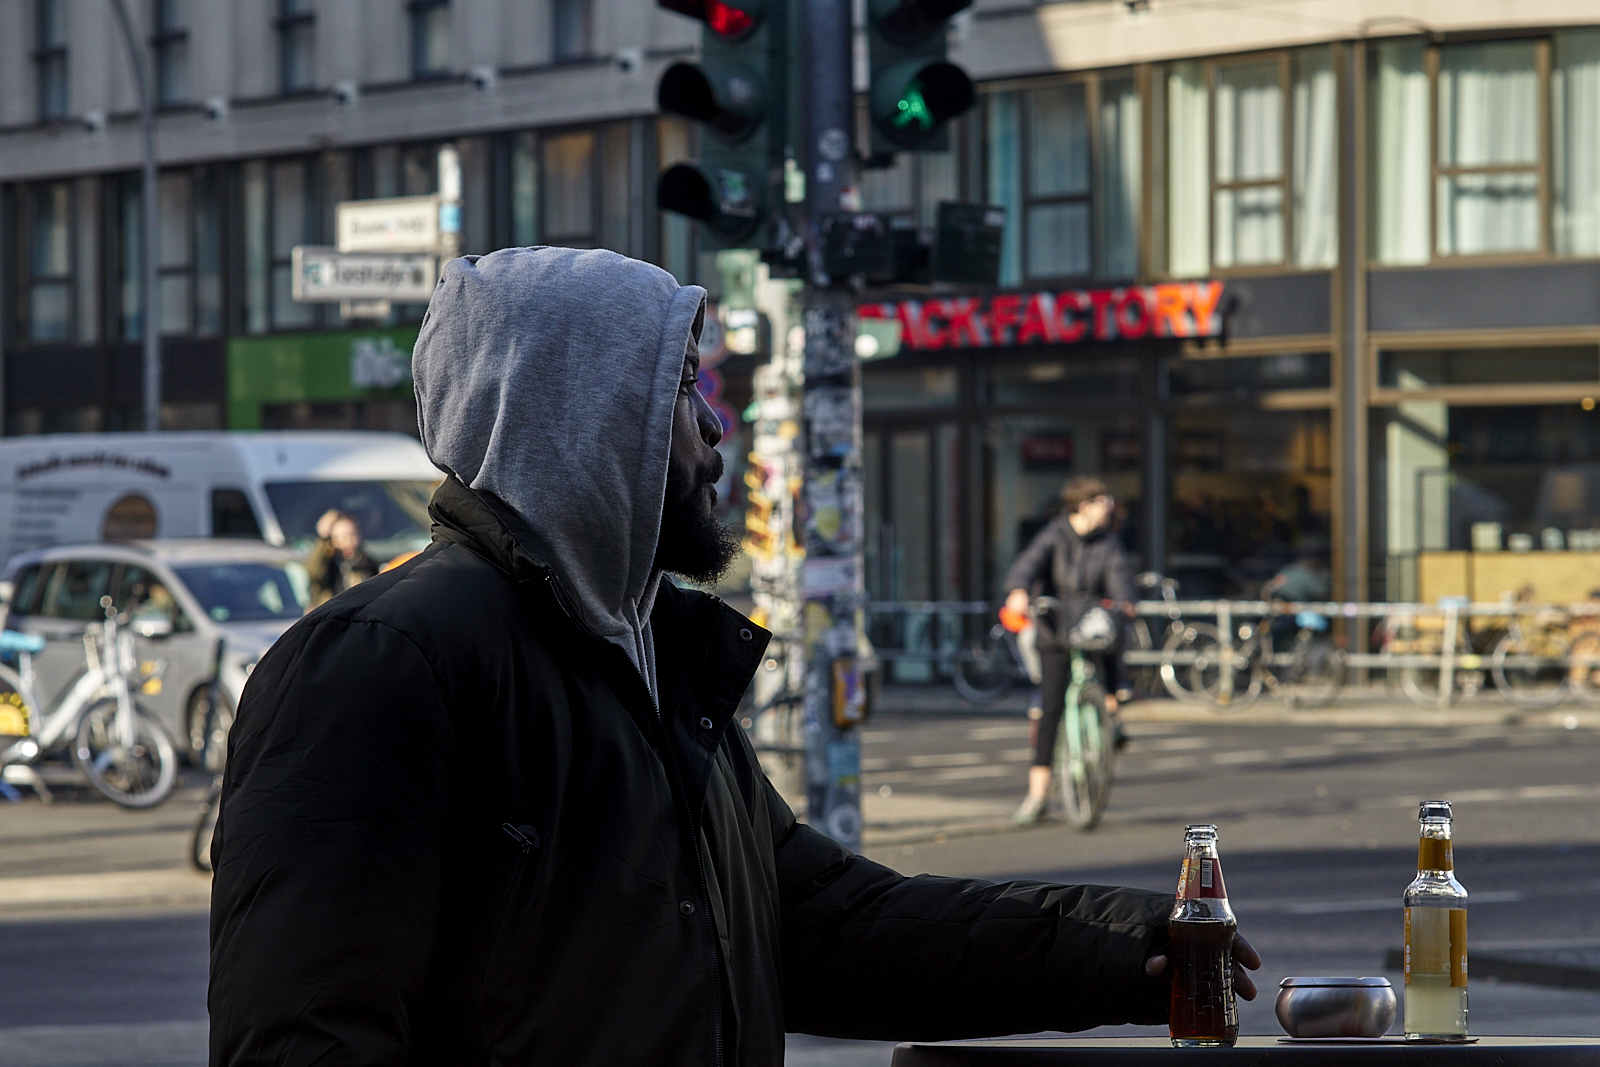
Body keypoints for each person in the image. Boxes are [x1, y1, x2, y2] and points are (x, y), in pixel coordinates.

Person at [208, 248, 1258, 1066]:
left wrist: (1130, 947)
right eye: (679, 389)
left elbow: (826, 926)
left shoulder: (649, 659)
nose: (714, 430)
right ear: (579, 418)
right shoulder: (385, 659)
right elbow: (305, 1033)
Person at [1003, 476, 1135, 825]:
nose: (1108, 510)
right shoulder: (1055, 535)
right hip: (1055, 628)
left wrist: (1125, 601)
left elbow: (1119, 574)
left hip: (1091, 624)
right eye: (1103, 502)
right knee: (1050, 708)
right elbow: (1028, 564)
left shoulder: (1108, 543)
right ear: (1084, 505)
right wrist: (1018, 590)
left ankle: (1113, 706)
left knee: (1114, 644)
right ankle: (1037, 796)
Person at [306, 511, 378, 606]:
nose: (348, 542)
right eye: (341, 537)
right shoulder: (327, 566)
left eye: (352, 535)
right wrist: (322, 539)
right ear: (332, 541)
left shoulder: (368, 564)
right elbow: (313, 572)